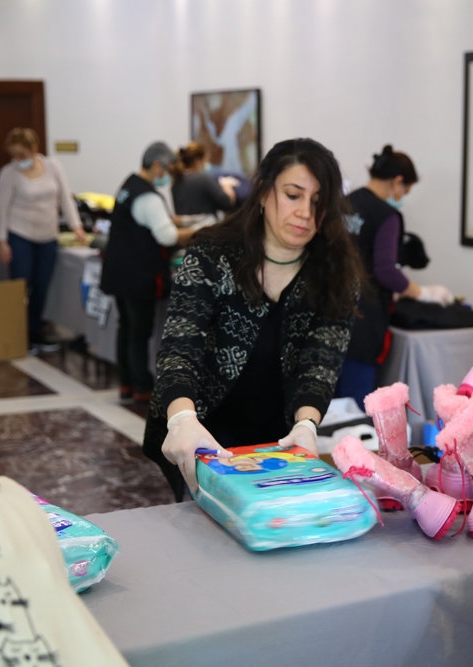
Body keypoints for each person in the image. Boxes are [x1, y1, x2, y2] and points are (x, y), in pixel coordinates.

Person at [142, 138, 364, 501]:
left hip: (279, 433)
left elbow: (320, 362)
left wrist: (307, 423)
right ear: (263, 193)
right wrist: (182, 418)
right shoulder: (212, 254)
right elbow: (181, 347)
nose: (306, 213)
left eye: (318, 202)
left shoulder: (335, 273)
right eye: (293, 195)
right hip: (204, 427)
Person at [337, 145, 454, 407]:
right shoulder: (387, 215)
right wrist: (423, 293)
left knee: (328, 408)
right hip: (363, 322)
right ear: (398, 182)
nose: (403, 196)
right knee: (354, 410)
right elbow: (387, 270)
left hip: (331, 313)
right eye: (406, 190)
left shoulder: (344, 203)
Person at [100, 142, 195, 405]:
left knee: (126, 326)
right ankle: (142, 385)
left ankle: (126, 383)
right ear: (157, 166)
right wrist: (198, 233)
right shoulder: (148, 197)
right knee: (139, 331)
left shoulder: (129, 186)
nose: (169, 176)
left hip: (119, 270)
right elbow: (166, 236)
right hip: (138, 274)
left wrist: (182, 221)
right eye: (168, 170)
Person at [0, 127, 87, 353]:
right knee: (22, 285)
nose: (18, 160)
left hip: (48, 236)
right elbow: (1, 208)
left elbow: (65, 197)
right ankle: (17, 333)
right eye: (13, 155)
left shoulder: (53, 167)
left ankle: (35, 331)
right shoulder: (8, 174)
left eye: (22, 155)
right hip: (20, 235)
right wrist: (2, 240)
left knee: (42, 285)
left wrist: (77, 226)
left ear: (34, 149)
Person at [171, 141, 239, 218]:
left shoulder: (176, 182)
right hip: (205, 227)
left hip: (185, 229)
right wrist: (227, 185)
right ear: (197, 161)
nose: (206, 164)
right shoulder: (203, 180)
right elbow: (227, 202)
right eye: (205, 160)